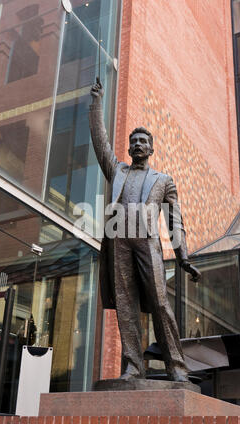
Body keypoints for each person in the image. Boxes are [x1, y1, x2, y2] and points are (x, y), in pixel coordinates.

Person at [89, 78, 201, 382]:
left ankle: (176, 368)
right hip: (120, 242)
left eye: (143, 142)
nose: (138, 145)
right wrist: (97, 103)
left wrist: (183, 257)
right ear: (129, 148)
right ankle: (133, 366)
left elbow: (175, 220)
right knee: (126, 306)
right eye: (134, 141)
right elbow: (100, 143)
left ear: (151, 149)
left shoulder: (164, 181)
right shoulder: (118, 170)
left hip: (147, 243)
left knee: (160, 304)